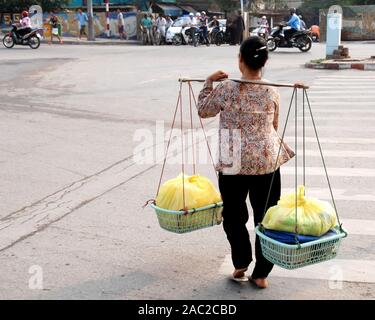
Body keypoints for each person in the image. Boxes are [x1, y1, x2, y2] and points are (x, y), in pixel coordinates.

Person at [197, 36, 302, 289]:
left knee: (234, 215)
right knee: (267, 218)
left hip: (233, 161)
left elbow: (203, 110)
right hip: (265, 160)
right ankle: (261, 273)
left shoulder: (226, 88)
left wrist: (209, 81)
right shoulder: (272, 89)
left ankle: (241, 262)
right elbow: (274, 125)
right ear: (264, 62)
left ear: (240, 60)